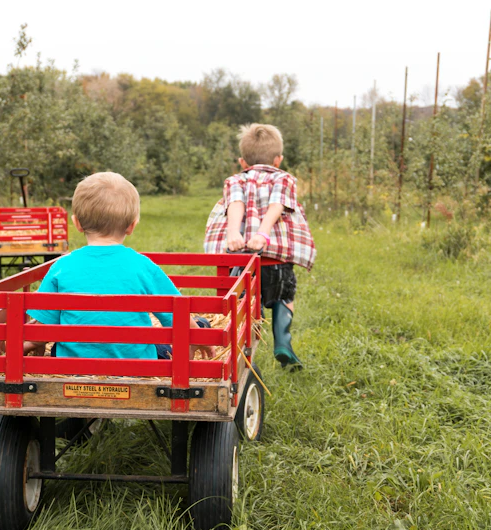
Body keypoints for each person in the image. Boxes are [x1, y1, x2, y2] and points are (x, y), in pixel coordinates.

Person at [24, 172, 214, 360]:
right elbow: (176, 312)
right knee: (172, 339)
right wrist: (197, 337)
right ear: (132, 226)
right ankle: (202, 324)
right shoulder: (143, 266)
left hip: (73, 368)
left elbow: (41, 329)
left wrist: (26, 345)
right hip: (137, 367)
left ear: (77, 223)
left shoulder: (61, 267)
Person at [204, 124, 316, 370]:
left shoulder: (235, 180)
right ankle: (283, 342)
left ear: (242, 162)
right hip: (276, 260)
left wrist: (234, 233)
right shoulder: (285, 178)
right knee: (284, 296)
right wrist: (263, 235)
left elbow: (235, 204)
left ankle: (243, 349)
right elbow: (277, 205)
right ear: (278, 160)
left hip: (243, 262)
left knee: (242, 302)